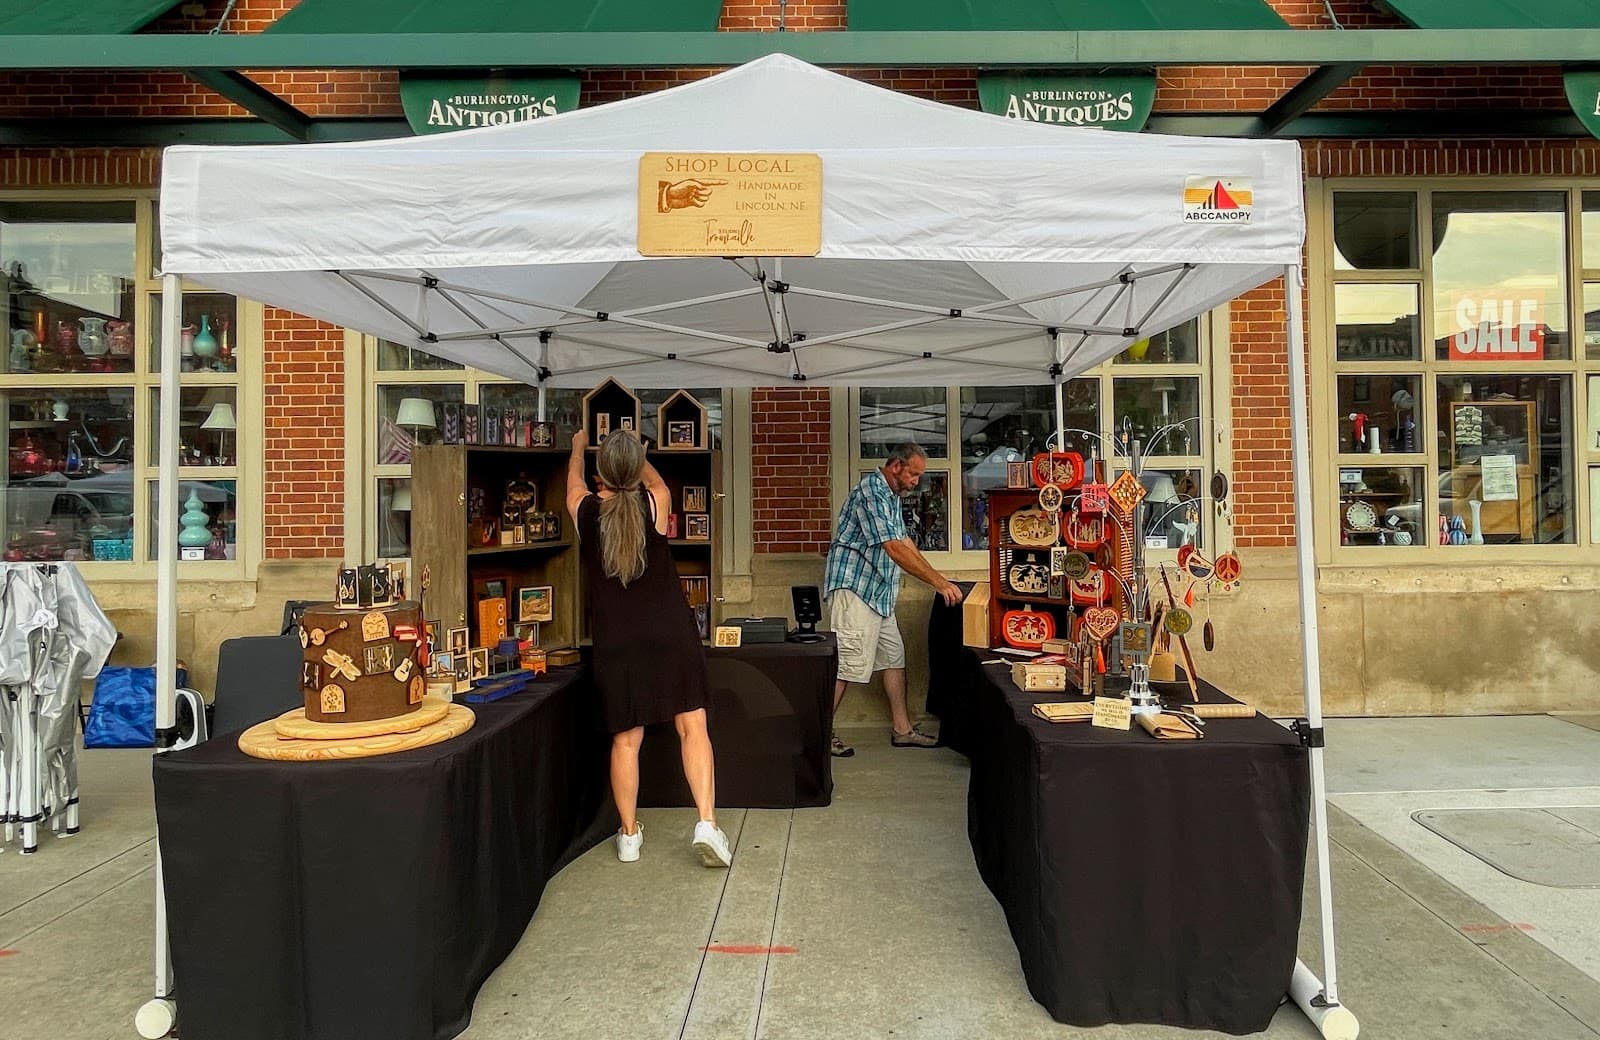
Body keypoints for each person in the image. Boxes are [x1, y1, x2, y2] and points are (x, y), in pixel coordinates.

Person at [566, 428, 732, 867]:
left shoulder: (583, 512)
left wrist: (581, 446)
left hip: (618, 645)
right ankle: (707, 824)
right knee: (693, 726)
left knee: (626, 741)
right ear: (636, 469)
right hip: (671, 635)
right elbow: (653, 481)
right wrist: (637, 454)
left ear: (601, 474)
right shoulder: (655, 503)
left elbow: (573, 482)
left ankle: (629, 835)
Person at [822, 442, 963, 757]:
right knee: (847, 664)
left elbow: (905, 541)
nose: (916, 482)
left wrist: (938, 578)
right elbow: (892, 547)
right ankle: (817, 735)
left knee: (893, 658)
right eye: (913, 475)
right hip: (855, 589)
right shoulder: (871, 492)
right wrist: (938, 583)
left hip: (879, 593)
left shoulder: (889, 497)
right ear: (896, 466)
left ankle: (903, 730)